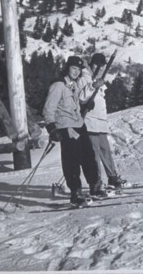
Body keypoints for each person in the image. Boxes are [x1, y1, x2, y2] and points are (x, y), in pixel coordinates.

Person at [42, 55, 106, 206]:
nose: (76, 72)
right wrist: (51, 127)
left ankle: (94, 187)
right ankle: (75, 192)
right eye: (73, 68)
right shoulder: (58, 85)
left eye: (78, 69)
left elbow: (78, 100)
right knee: (72, 160)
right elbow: (48, 108)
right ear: (67, 68)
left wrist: (85, 105)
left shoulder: (73, 85)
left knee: (88, 156)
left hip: (78, 124)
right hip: (66, 126)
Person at [78, 53, 127, 189]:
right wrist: (93, 86)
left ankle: (112, 177)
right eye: (97, 66)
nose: (99, 68)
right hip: (89, 120)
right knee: (93, 154)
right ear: (91, 64)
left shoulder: (98, 78)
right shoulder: (84, 78)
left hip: (100, 121)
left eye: (101, 66)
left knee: (106, 151)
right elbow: (81, 97)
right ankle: (96, 182)